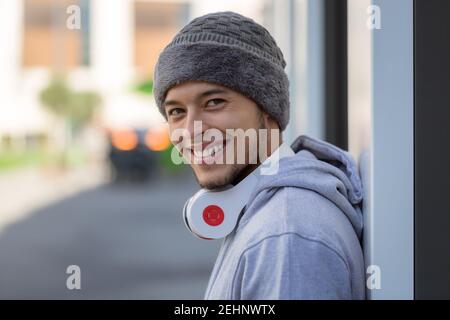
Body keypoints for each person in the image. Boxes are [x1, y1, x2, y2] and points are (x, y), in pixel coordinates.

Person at [153, 11, 365, 300]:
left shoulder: (286, 237)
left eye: (214, 102)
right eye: (176, 111)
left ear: (269, 112)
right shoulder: (268, 214)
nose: (191, 130)